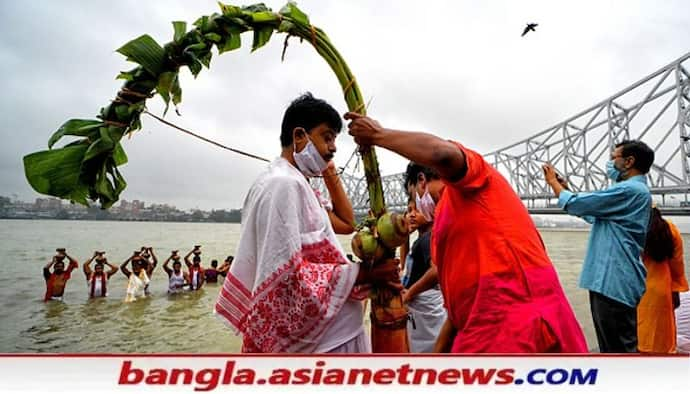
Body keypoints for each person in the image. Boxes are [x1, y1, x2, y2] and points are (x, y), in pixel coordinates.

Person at [346, 112, 587, 353]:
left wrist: (378, 136)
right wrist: (438, 357)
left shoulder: (471, 182)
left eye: (413, 196)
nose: (415, 206)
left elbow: (443, 154)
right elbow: (457, 306)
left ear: (421, 181)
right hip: (482, 331)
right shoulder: (442, 229)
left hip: (518, 329)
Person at [214, 93, 400, 353]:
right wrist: (364, 274)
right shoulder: (283, 185)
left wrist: (325, 161)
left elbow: (347, 222)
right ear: (299, 136)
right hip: (326, 347)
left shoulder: (296, 182)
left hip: (332, 338)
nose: (333, 147)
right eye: (327, 137)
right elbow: (287, 280)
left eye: (335, 139)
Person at [543, 140, 654, 353]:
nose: (610, 162)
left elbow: (576, 204)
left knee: (618, 350)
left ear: (629, 161)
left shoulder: (631, 190)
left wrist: (553, 184)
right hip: (609, 281)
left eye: (614, 157)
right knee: (611, 348)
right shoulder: (633, 191)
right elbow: (593, 216)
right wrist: (566, 189)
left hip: (614, 281)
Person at [400, 181, 446, 353]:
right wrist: (404, 234)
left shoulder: (428, 240)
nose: (411, 215)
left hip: (426, 309)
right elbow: (406, 269)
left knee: (425, 350)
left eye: (416, 210)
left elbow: (436, 271)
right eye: (408, 211)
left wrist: (409, 293)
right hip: (422, 310)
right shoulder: (421, 239)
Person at [637, 206, 688, 353]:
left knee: (639, 336)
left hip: (637, 290)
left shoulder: (634, 229)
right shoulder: (670, 229)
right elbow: (677, 265)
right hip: (662, 291)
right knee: (662, 339)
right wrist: (677, 290)